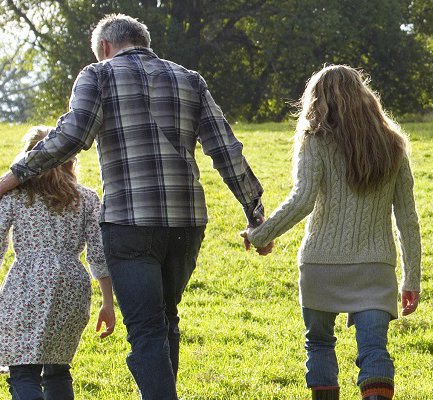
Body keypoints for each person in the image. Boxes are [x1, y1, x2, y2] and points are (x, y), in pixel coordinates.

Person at [0, 14, 271, 400]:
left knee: (146, 328)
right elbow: (225, 149)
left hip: (129, 222)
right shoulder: (190, 79)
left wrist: (13, 177)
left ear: (105, 47)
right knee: (166, 318)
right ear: (142, 41)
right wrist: (255, 214)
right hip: (187, 223)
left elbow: (73, 135)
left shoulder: (98, 75)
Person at [244, 65, 422, 400]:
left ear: (317, 99)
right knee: (374, 350)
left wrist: (260, 234)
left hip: (320, 264)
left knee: (320, 343)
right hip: (375, 267)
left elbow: (302, 201)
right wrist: (411, 278)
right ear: (364, 97)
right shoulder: (393, 145)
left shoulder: (315, 141)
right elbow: (407, 218)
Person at [0, 126, 115, 400]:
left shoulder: (16, 196)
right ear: (70, 160)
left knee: (24, 372)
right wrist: (107, 303)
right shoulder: (86, 197)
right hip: (73, 285)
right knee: (57, 370)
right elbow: (99, 254)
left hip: (27, 284)